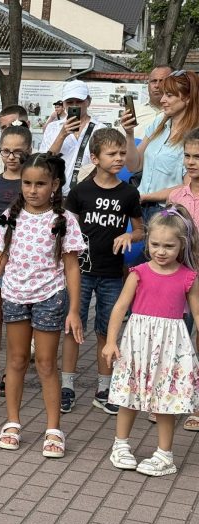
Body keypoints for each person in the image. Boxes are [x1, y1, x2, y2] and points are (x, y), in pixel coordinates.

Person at [0, 153, 85, 458]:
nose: (33, 190)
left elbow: (72, 266)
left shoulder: (64, 220)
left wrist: (74, 310)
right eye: (27, 183)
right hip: (14, 296)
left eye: (40, 184)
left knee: (46, 363)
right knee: (17, 360)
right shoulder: (10, 216)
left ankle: (54, 429)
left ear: (54, 185)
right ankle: (12, 422)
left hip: (50, 296)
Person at [103, 205, 199, 476]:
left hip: (171, 346)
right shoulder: (139, 272)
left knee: (166, 400)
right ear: (147, 242)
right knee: (129, 395)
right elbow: (120, 307)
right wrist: (110, 341)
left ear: (182, 245)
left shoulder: (188, 277)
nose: (161, 251)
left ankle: (165, 455)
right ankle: (121, 445)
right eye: (155, 244)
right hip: (137, 344)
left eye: (169, 246)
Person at [60, 129, 144, 415]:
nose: (119, 158)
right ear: (95, 158)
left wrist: (130, 236)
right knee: (73, 328)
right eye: (112, 154)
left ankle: (104, 389)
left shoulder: (129, 192)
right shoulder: (80, 191)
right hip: (81, 272)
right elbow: (67, 229)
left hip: (112, 273)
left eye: (122, 153)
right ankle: (67, 386)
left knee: (107, 332)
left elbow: (141, 229)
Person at [0, 125, 33, 396]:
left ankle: (13, 371)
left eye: (17, 152)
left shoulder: (32, 184)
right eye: (6, 151)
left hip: (23, 260)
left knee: (17, 318)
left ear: (29, 151)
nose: (11, 157)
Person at [124, 70, 199, 225]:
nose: (163, 99)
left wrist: (148, 196)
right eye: (164, 94)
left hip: (168, 211)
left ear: (187, 98)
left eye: (169, 95)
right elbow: (133, 166)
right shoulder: (160, 121)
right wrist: (129, 134)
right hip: (140, 206)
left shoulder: (194, 136)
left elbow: (189, 187)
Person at [166, 128, 199, 431]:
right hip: (180, 278)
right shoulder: (177, 196)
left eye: (197, 157)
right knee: (176, 338)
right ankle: (170, 400)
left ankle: (196, 403)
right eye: (187, 156)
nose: (191, 162)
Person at [40, 80, 105, 196]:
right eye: (70, 102)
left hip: (88, 194)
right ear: (64, 104)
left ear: (88, 101)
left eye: (79, 101)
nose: (74, 105)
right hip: (56, 194)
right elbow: (44, 162)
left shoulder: (100, 129)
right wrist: (62, 135)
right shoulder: (53, 128)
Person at [0, 105, 30, 180]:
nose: (8, 130)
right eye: (3, 127)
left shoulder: (38, 159)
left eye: (13, 125)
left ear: (27, 125)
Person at [134, 65, 173, 139]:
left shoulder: (180, 114)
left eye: (162, 81)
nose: (157, 85)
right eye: (153, 81)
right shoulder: (135, 113)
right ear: (148, 85)